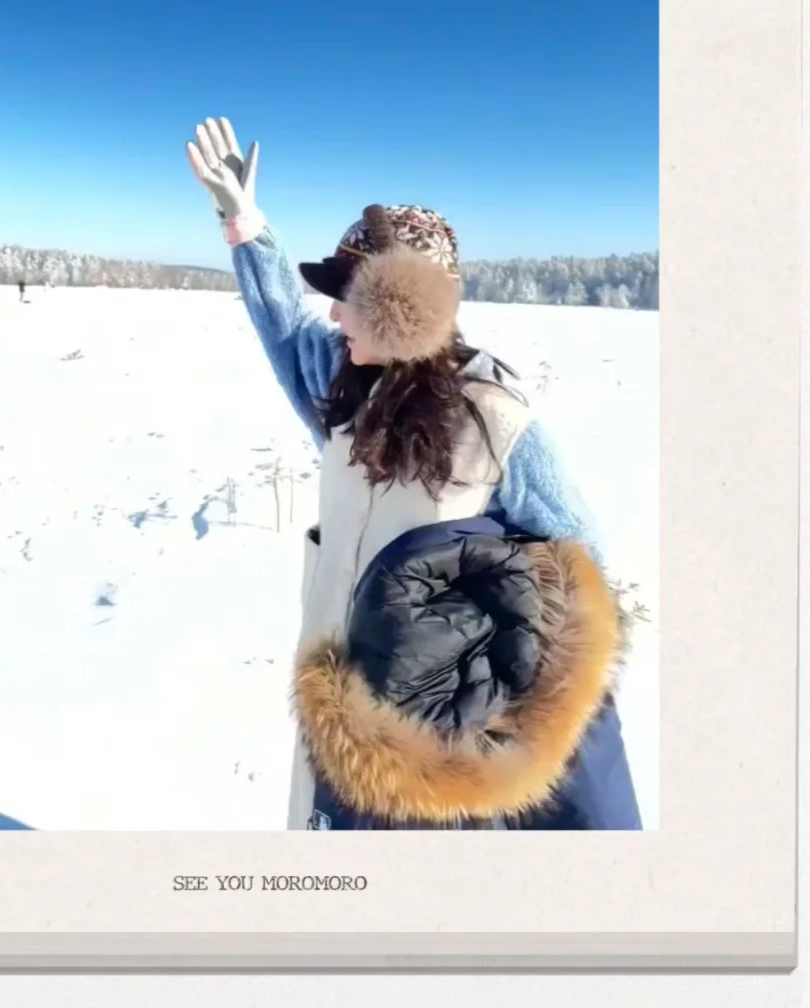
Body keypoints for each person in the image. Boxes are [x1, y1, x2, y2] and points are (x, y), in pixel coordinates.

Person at [186, 117, 641, 832]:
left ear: (397, 312)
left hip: (432, 739)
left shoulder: (494, 422)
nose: (332, 313)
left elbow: (583, 575)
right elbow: (285, 326)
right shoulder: (345, 393)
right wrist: (245, 227)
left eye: (349, 297)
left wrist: (501, 708)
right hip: (336, 696)